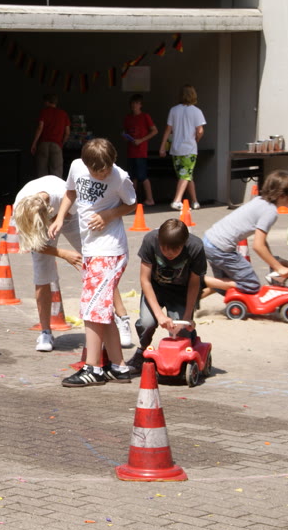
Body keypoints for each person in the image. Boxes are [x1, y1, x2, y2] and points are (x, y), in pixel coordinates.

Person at [49, 138, 138, 387]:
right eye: (98, 171)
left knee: (91, 309)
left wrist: (108, 214)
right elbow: (70, 192)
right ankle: (119, 367)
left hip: (109, 250)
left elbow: (131, 204)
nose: (103, 174)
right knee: (101, 308)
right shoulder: (77, 167)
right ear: (86, 165)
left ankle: (93, 368)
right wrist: (60, 217)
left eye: (106, 169)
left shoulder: (120, 177)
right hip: (91, 248)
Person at [13, 175, 134, 352]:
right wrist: (63, 254)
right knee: (41, 273)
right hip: (44, 218)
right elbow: (33, 243)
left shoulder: (62, 193)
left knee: (98, 263)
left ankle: (122, 318)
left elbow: (70, 214)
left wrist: (57, 220)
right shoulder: (20, 211)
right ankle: (45, 332)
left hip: (70, 215)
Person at [202, 170, 288, 296]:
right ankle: (201, 280)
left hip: (210, 241)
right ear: (282, 195)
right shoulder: (270, 212)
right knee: (250, 285)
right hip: (221, 248)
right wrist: (279, 267)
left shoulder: (259, 200)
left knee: (224, 284)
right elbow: (258, 246)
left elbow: (262, 241)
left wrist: (273, 262)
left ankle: (192, 302)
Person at [126, 219, 206, 367]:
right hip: (155, 289)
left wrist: (188, 316)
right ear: (159, 240)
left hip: (180, 292)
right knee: (147, 323)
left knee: (180, 328)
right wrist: (159, 315)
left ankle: (184, 349)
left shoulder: (195, 247)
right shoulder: (150, 240)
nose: (169, 253)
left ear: (184, 244)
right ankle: (143, 351)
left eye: (175, 250)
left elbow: (195, 284)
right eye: (164, 248)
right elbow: (145, 280)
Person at [159, 84, 205, 211]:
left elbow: (168, 130)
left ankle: (195, 201)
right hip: (189, 148)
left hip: (176, 149)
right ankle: (177, 200)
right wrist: (196, 140)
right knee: (186, 175)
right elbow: (200, 130)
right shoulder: (196, 111)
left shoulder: (174, 110)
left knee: (185, 175)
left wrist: (162, 147)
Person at [122, 94, 158, 206]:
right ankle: (133, 200)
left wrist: (141, 140)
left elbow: (154, 131)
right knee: (132, 177)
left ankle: (150, 198)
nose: (134, 105)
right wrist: (126, 137)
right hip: (131, 151)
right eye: (133, 103)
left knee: (142, 176)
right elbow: (126, 132)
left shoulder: (145, 117)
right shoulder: (128, 118)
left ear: (141, 105)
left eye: (137, 103)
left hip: (141, 151)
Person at [30, 94, 70, 179]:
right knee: (57, 173)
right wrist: (61, 143)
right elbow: (67, 132)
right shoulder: (63, 114)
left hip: (43, 144)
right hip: (57, 145)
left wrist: (34, 143)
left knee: (42, 172)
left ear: (47, 102)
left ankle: (43, 187)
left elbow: (40, 127)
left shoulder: (44, 112)